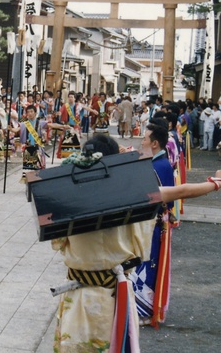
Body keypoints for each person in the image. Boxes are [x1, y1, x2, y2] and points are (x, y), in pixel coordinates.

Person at [52, 134, 221, 352]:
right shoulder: (132, 194)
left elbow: (57, 241)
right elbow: (180, 190)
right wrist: (215, 183)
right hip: (114, 295)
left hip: (78, 297)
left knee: (74, 345)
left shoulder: (66, 196)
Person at [129, 120, 175, 327]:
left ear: (155, 143)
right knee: (144, 264)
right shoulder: (157, 162)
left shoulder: (161, 165)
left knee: (149, 266)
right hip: (149, 222)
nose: (142, 142)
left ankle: (146, 311)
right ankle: (142, 308)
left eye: (145, 139)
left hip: (154, 223)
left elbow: (167, 198)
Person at [57, 91, 83, 158]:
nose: (70, 98)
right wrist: (59, 113)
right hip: (67, 126)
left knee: (76, 140)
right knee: (66, 140)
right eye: (69, 97)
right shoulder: (65, 105)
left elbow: (85, 108)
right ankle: (66, 155)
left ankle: (76, 154)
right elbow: (61, 111)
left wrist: (92, 111)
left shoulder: (78, 105)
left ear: (74, 98)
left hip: (75, 126)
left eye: (72, 97)